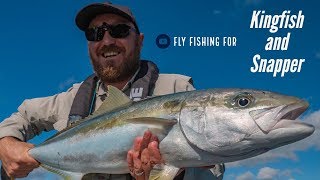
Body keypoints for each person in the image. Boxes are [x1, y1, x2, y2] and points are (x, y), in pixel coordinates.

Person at [0, 2, 225, 180]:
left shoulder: (177, 89)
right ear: (89, 45)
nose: (107, 40)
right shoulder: (71, 99)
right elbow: (24, 115)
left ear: (139, 40)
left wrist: (175, 174)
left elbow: (214, 169)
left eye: (119, 30)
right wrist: (6, 143)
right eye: (95, 34)